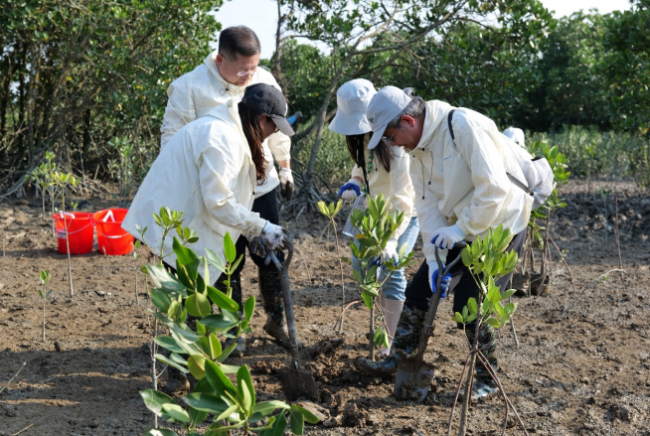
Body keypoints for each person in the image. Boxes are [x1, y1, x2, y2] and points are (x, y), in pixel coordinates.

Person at [355, 86, 532, 399]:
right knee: (419, 290)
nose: (389, 143)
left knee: (469, 303)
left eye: (389, 136)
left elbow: (493, 190)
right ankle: (398, 359)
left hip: (499, 221)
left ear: (408, 121)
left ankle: (488, 380)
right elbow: (427, 208)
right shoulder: (416, 153)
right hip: (458, 223)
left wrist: (462, 229)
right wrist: (436, 261)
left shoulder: (463, 126)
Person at [123, 84, 295, 359]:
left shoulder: (228, 131)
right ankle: (179, 376)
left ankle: (187, 365)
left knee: (193, 298)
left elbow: (226, 196)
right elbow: (219, 202)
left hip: (184, 218)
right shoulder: (222, 139)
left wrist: (250, 231)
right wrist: (260, 226)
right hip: (174, 223)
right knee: (187, 304)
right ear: (262, 119)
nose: (272, 135)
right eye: (274, 128)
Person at [158, 26, 295, 355]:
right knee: (226, 262)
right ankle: (235, 330)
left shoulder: (263, 79)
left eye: (255, 67)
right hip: (216, 193)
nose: (250, 75)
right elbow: (172, 141)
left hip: (261, 186)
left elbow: (276, 128)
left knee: (270, 255)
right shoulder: (190, 87)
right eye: (242, 69)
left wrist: (285, 167)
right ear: (220, 59)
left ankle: (277, 319)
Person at [328, 79, 419, 354]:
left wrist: (391, 240)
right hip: (372, 214)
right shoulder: (363, 137)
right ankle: (383, 329)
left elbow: (403, 200)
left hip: (402, 215)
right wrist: (355, 182)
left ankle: (392, 343)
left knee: (392, 272)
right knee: (364, 271)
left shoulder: (397, 147)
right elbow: (363, 165)